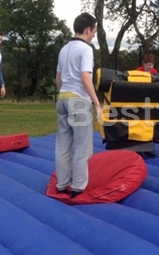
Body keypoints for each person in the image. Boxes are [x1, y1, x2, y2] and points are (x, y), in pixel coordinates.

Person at [55, 12, 102, 199]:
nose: (94, 36)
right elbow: (85, 77)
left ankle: (62, 184)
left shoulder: (64, 49)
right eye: (94, 31)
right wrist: (96, 103)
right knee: (83, 146)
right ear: (87, 29)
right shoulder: (86, 49)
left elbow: (58, 79)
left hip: (63, 98)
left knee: (63, 145)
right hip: (78, 100)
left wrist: (63, 94)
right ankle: (77, 187)